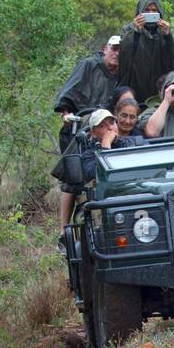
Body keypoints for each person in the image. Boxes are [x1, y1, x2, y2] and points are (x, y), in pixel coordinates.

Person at [53, 36, 120, 229]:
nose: (117, 53)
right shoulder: (89, 65)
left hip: (113, 125)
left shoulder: (124, 72)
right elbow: (67, 95)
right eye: (114, 49)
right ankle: (64, 231)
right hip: (84, 124)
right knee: (72, 178)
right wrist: (66, 114)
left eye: (121, 50)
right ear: (104, 49)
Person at [118, 0, 174, 104]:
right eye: (147, 10)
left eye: (154, 10)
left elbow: (173, 60)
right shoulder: (128, 29)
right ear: (140, 11)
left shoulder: (165, 30)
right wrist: (136, 32)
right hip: (135, 87)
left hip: (159, 89)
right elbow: (124, 58)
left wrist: (168, 35)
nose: (150, 13)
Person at [77, 108, 136, 181]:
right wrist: (106, 145)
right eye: (102, 126)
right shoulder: (89, 155)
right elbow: (93, 174)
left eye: (112, 123)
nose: (110, 128)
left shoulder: (131, 142)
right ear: (93, 133)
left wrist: (118, 141)